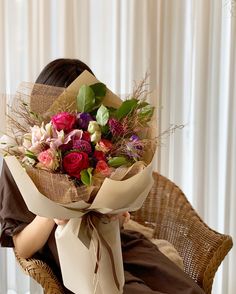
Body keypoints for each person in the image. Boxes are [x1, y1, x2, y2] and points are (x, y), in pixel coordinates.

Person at [0, 58, 205, 294]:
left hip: (120, 243)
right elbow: (22, 248)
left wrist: (115, 210)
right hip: (74, 261)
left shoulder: (95, 145)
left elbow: (110, 210)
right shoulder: (21, 158)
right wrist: (56, 210)